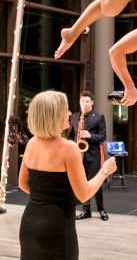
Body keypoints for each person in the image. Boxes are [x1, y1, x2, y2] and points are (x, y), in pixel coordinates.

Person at [19, 90, 116, 260]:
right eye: (66, 110)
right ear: (54, 115)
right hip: (57, 227)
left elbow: (23, 184)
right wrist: (105, 170)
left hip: (29, 224)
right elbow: (84, 194)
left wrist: (46, 197)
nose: (70, 113)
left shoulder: (32, 143)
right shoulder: (68, 147)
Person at [67, 91, 108, 221]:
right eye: (82, 101)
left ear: (92, 102)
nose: (84, 104)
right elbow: (69, 136)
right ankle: (86, 211)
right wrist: (73, 144)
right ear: (80, 102)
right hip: (78, 157)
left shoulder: (99, 117)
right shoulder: (73, 117)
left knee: (96, 183)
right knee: (81, 184)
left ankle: (101, 209)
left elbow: (103, 136)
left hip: (92, 156)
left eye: (87, 101)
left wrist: (90, 136)